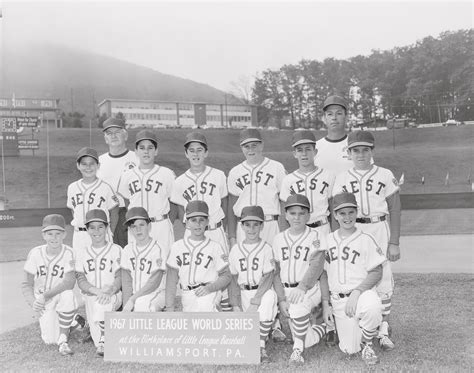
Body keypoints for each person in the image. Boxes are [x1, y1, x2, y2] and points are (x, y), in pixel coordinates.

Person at [332, 130, 401, 351]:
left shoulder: (384, 174)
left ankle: (383, 330)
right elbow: (336, 211)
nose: (360, 154)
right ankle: (365, 323)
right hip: (354, 228)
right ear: (348, 153)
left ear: (372, 151)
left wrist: (395, 241)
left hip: (379, 227)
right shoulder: (342, 178)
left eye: (365, 150)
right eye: (355, 150)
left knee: (384, 279)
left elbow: (395, 209)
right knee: (359, 275)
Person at [227, 127, 287, 342]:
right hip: (245, 227)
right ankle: (247, 316)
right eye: (246, 146)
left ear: (262, 145)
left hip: (270, 223)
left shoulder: (277, 168)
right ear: (241, 148)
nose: (250, 149)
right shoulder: (235, 172)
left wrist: (284, 231)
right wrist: (233, 236)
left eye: (254, 144)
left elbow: (284, 200)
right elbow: (231, 206)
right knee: (245, 271)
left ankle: (275, 322)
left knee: (272, 270)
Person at [280, 130, 337, 345]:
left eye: (307, 149)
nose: (304, 153)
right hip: (298, 231)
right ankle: (313, 322)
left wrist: (333, 238)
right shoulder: (288, 180)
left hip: (321, 227)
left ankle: (330, 324)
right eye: (299, 150)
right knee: (306, 275)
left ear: (315, 151)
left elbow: (333, 209)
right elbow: (284, 212)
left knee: (327, 276)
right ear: (294, 153)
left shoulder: (328, 175)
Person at [321, 192, 385, 366]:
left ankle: (368, 342)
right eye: (342, 213)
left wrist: (357, 292)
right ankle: (378, 328)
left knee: (372, 307)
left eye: (351, 212)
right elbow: (324, 274)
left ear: (356, 212)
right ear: (334, 215)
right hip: (339, 301)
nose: (347, 217)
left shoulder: (366, 238)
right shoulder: (327, 241)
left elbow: (377, 271)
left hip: (361, 294)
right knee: (349, 349)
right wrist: (326, 304)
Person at [170, 132, 231, 311]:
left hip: (215, 228)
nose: (195, 154)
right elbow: (181, 211)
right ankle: (199, 304)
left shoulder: (218, 175)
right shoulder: (180, 181)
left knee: (223, 272)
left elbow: (225, 204)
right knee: (197, 271)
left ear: (206, 152)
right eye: (191, 150)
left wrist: (225, 230)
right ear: (186, 154)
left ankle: (226, 310)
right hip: (193, 231)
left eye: (199, 150)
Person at [272, 194, 327, 364]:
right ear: (286, 215)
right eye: (293, 213)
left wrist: (302, 287)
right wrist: (281, 299)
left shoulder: (315, 236)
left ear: (308, 216)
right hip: (287, 289)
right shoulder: (278, 238)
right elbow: (275, 272)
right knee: (307, 339)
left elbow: (317, 265)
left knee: (296, 307)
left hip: (309, 288)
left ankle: (297, 351)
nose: (297, 217)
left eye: (302, 213)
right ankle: (327, 327)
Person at [21, 214, 77, 356]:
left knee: (68, 295)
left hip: (57, 295)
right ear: (44, 235)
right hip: (42, 300)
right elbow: (26, 284)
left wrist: (45, 296)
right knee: (50, 340)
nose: (54, 237)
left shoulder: (69, 253)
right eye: (50, 234)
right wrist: (34, 302)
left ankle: (64, 338)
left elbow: (69, 283)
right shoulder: (35, 253)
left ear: (64, 234)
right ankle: (74, 321)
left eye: (58, 233)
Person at [227, 206, 277, 364]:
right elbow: (233, 280)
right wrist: (235, 304)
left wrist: (255, 303)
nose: (252, 228)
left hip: (260, 294)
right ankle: (256, 338)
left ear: (262, 226)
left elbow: (268, 278)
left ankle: (260, 346)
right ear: (241, 226)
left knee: (270, 297)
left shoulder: (266, 248)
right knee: (240, 338)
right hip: (243, 294)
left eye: (256, 224)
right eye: (247, 224)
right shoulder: (235, 250)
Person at [165, 200, 231, 312]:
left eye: (202, 220)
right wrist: (169, 307)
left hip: (209, 291)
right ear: (187, 222)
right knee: (192, 326)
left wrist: (210, 288)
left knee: (205, 308)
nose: (198, 224)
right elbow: (171, 280)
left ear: (207, 222)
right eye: (193, 220)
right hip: (187, 294)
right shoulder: (177, 247)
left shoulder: (215, 247)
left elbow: (226, 276)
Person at [117, 129, 176, 253]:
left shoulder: (167, 174)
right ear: (136, 151)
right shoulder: (127, 175)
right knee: (138, 265)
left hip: (160, 225)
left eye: (150, 148)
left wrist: (166, 222)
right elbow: (128, 202)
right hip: (137, 226)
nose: (146, 151)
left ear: (156, 151)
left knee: (164, 264)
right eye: (142, 148)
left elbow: (174, 202)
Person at [75, 209, 122, 356]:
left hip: (112, 295)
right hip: (91, 296)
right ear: (87, 230)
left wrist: (109, 290)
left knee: (103, 305)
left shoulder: (116, 249)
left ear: (107, 227)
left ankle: (104, 339)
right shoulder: (82, 252)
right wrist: (98, 291)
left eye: (100, 226)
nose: (96, 231)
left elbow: (120, 276)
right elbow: (81, 281)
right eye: (92, 227)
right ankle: (99, 334)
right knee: (96, 338)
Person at [67, 147, 119, 254]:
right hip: (79, 236)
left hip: (100, 233)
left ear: (98, 165)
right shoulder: (72, 187)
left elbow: (114, 212)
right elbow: (74, 210)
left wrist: (110, 232)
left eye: (92, 163)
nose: (88, 167)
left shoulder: (106, 187)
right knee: (80, 268)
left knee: (103, 267)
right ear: (78, 166)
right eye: (84, 164)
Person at [97, 117, 139, 247]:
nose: (113, 136)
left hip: (131, 213)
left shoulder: (137, 158)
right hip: (107, 214)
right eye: (109, 133)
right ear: (105, 138)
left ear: (125, 135)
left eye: (117, 132)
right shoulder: (99, 162)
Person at [121, 207, 168, 312]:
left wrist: (132, 300)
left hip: (156, 293)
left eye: (141, 225)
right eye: (133, 226)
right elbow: (126, 282)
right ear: (130, 230)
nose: (138, 229)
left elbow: (154, 282)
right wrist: (126, 306)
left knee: (143, 305)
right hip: (136, 296)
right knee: (137, 305)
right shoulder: (127, 250)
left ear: (149, 226)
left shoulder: (158, 248)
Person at [314, 95, 353, 175]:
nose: (334, 118)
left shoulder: (357, 146)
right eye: (330, 114)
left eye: (339, 113)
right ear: (324, 118)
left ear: (346, 117)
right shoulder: (315, 148)